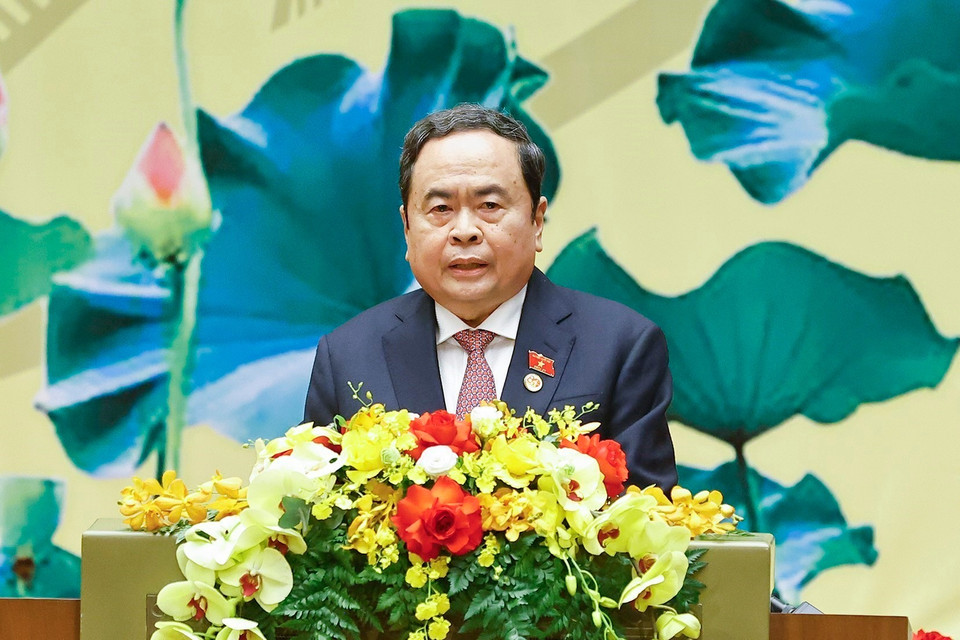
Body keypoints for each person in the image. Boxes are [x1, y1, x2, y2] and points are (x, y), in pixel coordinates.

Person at [304, 104, 677, 490]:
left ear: (536, 221)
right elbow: (315, 518)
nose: (464, 231)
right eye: (440, 208)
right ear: (406, 227)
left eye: (490, 206)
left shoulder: (620, 346)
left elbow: (651, 523)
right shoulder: (347, 357)